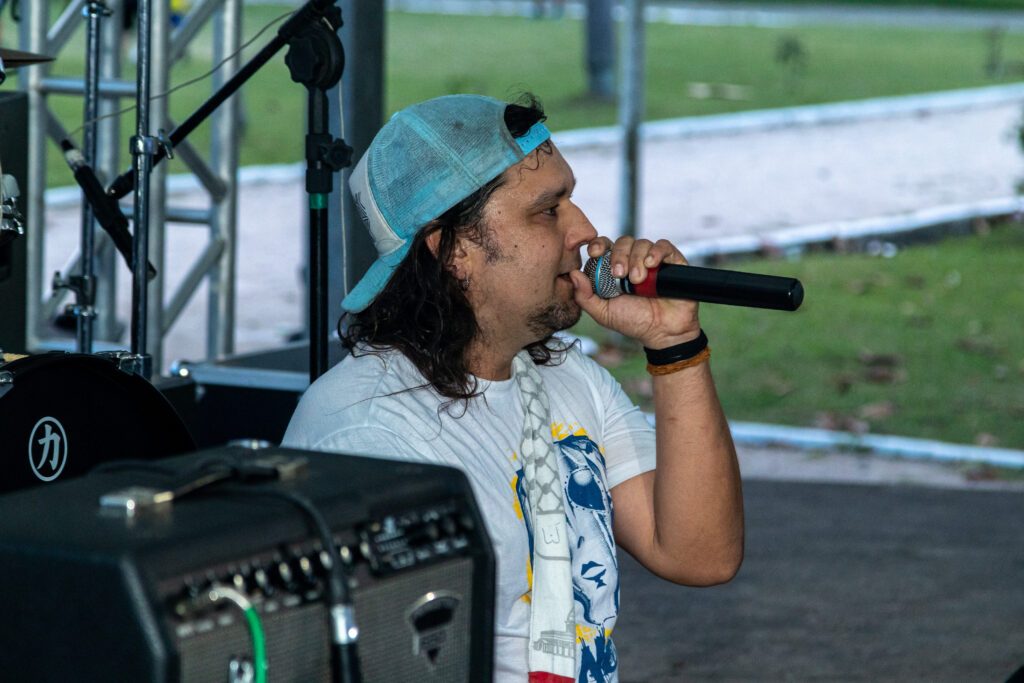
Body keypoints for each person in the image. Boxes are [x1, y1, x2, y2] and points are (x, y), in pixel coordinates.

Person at [283, 93, 744, 683]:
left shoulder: (566, 374)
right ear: (454, 250)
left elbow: (701, 555)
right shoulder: (367, 433)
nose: (585, 230)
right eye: (548, 210)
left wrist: (675, 343)